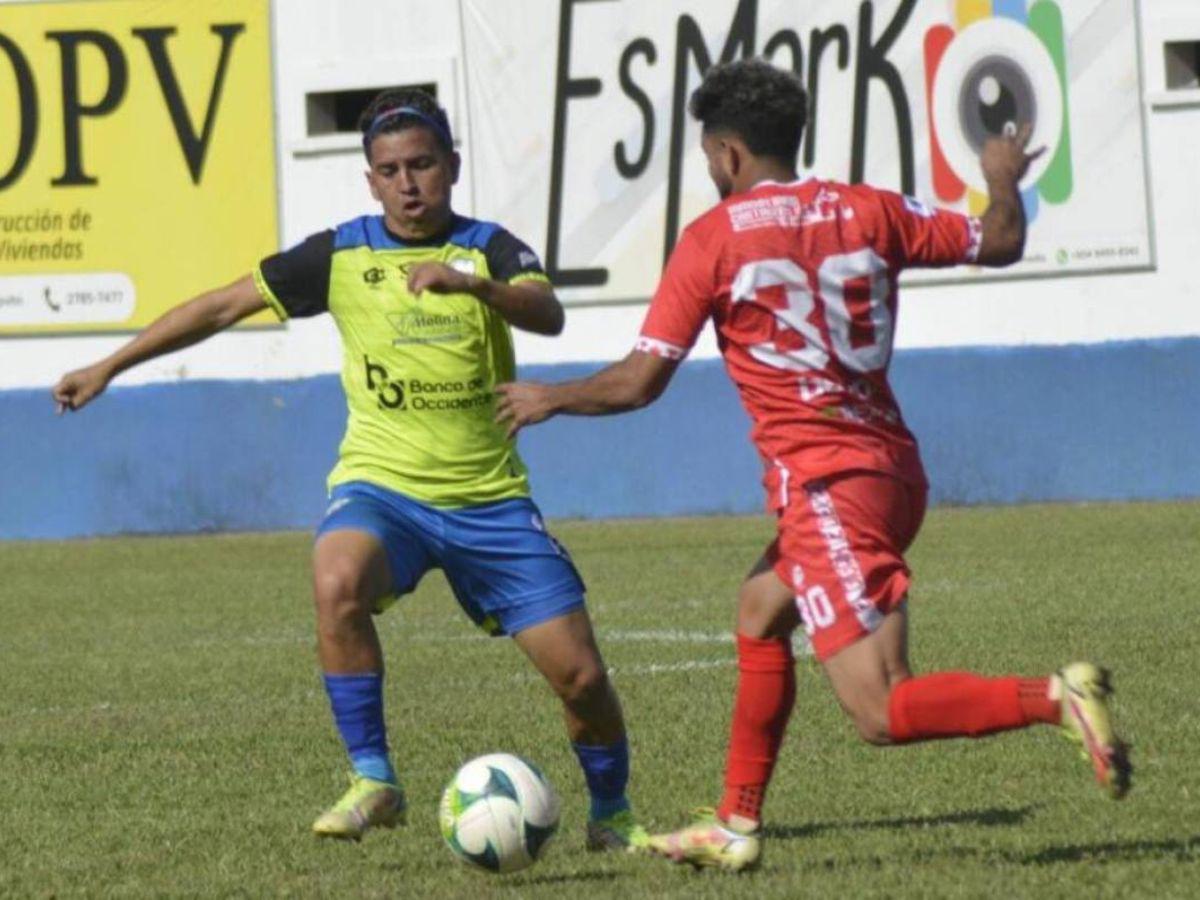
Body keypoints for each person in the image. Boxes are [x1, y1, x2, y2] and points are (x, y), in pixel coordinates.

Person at [495, 59, 1130, 871]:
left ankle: (1054, 698)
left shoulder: (715, 240)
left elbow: (638, 382)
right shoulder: (870, 210)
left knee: (880, 708)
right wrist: (999, 177)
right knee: (761, 610)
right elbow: (1000, 238)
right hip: (894, 474)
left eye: (706, 156)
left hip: (829, 487)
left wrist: (551, 398)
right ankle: (733, 822)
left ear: (726, 154)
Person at [52, 87, 647, 851]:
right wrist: (110, 363)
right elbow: (221, 307)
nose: (408, 183)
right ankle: (375, 777)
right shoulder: (338, 254)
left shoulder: (489, 248)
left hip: (489, 502)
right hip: (382, 490)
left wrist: (472, 285)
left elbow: (545, 311)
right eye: (390, 169)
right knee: (335, 579)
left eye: (423, 164)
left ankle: (612, 814)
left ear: (452, 166)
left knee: (581, 680)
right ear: (370, 180)